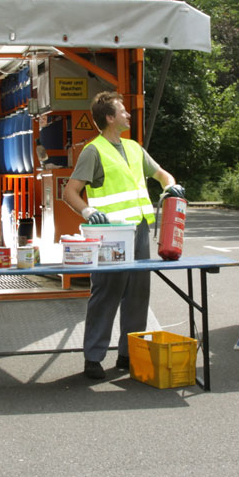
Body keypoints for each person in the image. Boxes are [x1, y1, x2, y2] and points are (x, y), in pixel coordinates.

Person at [62, 91, 184, 380]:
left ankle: (128, 354)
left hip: (139, 229)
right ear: (109, 118)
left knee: (138, 294)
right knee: (106, 293)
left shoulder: (134, 148)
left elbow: (164, 175)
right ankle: (93, 358)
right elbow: (70, 191)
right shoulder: (94, 150)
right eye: (123, 111)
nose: (128, 114)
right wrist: (88, 213)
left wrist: (170, 187)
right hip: (111, 234)